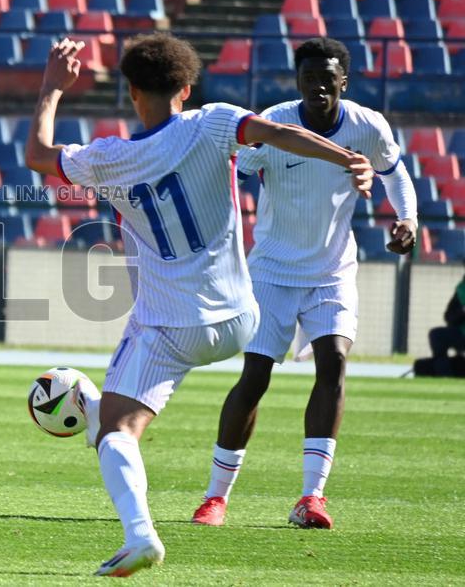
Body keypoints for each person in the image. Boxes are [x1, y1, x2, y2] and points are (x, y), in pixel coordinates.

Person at [24, 34, 374, 577]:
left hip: (169, 327)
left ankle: (139, 534)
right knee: (119, 412)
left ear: (132, 91)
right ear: (186, 88)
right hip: (238, 319)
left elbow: (38, 156)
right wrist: (347, 157)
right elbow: (279, 133)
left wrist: (52, 88)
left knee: (116, 433)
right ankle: (97, 407)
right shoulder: (213, 122)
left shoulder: (108, 158)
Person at [191, 37, 418, 530]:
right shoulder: (273, 124)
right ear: (297, 81)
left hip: (332, 272)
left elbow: (395, 174)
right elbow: (234, 172)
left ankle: (311, 497)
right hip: (271, 271)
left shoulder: (367, 126)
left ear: (343, 82)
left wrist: (407, 219)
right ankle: (215, 498)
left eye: (326, 77)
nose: (317, 85)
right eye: (308, 77)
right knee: (255, 376)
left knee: (333, 361)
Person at [425, 268, 465, 374]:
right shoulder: (461, 290)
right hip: (462, 333)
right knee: (437, 335)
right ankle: (444, 374)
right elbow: (448, 317)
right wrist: (462, 311)